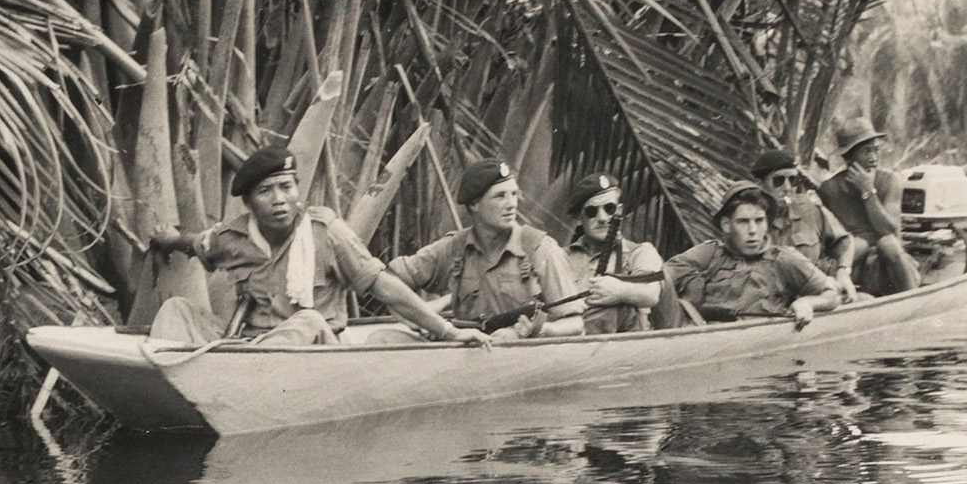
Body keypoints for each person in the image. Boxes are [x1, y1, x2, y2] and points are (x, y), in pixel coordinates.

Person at [147, 146, 487, 347]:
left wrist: (447, 331)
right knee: (177, 310)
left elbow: (385, 287)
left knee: (306, 320)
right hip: (251, 346)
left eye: (286, 187)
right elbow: (197, 243)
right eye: (266, 191)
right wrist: (170, 240)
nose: (279, 200)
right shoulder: (233, 238)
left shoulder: (327, 232)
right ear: (249, 203)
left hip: (317, 350)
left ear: (298, 189)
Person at [384, 158, 585, 341]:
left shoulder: (540, 250)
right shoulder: (455, 248)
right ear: (474, 204)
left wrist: (535, 331)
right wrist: (423, 320)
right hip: (467, 352)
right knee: (384, 338)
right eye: (500, 196)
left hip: (525, 360)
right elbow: (389, 280)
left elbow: (574, 324)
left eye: (514, 194)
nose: (511, 204)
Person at [665, 180, 839, 330]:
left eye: (759, 221)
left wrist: (806, 303)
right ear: (726, 225)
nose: (753, 231)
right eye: (743, 222)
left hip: (757, 343)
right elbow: (662, 276)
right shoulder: (709, 253)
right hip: (701, 338)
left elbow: (831, 295)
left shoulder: (783, 259)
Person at [815, 118, 921, 295]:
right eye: (866, 151)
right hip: (856, 269)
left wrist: (868, 193)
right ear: (849, 157)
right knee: (858, 245)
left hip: (894, 267)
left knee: (887, 243)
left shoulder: (890, 181)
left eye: (876, 150)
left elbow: (889, 230)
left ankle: (913, 298)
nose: (873, 158)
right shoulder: (829, 189)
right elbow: (829, 242)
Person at [751, 149, 861, 302]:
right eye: (779, 180)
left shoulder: (809, 209)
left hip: (819, 297)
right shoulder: (750, 220)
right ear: (760, 185)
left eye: (793, 180)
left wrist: (843, 273)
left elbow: (844, 242)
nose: (788, 187)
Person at [562, 173, 665, 333]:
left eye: (609, 208)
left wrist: (619, 291)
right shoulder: (561, 257)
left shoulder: (639, 253)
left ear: (619, 211)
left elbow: (651, 294)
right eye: (591, 211)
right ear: (580, 219)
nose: (602, 218)